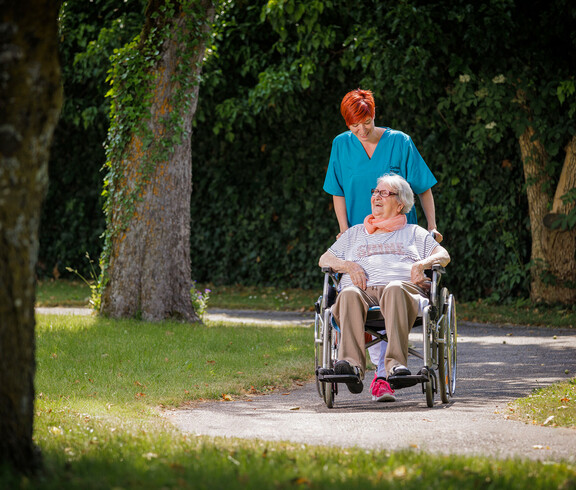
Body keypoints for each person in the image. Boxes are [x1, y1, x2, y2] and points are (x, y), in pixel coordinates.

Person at [318, 174, 450, 402]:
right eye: (375, 192)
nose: (376, 197)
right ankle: (350, 365)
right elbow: (324, 260)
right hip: (361, 294)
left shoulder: (414, 232)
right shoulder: (354, 233)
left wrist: (422, 263)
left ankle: (395, 367)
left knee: (394, 288)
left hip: (402, 292)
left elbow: (444, 255)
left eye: (384, 193)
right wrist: (347, 265)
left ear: (400, 204)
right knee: (348, 293)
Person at [323, 88, 442, 241]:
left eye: (367, 122)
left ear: (373, 115)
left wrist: (432, 226)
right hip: (359, 237)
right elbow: (338, 191)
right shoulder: (341, 145)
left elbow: (423, 187)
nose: (362, 130)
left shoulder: (400, 142)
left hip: (401, 236)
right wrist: (344, 231)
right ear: (347, 124)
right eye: (355, 125)